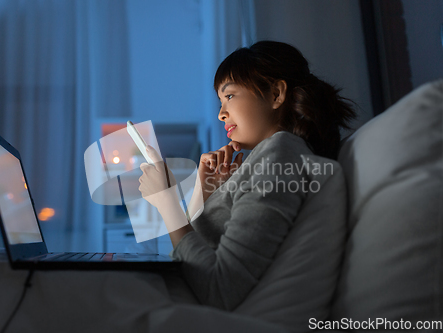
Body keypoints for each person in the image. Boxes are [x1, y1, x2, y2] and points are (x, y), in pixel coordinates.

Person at [138, 41, 356, 311]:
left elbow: (219, 288)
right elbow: (189, 256)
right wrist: (205, 190)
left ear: (276, 93)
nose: (220, 114)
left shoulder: (280, 153)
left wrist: (166, 202)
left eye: (229, 96)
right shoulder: (266, 158)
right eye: (220, 101)